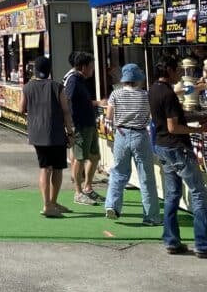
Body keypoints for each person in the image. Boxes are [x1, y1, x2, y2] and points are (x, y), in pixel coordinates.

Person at [150, 56, 207, 257]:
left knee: (172, 195)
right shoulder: (168, 94)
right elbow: (174, 127)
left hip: (163, 147)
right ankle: (202, 244)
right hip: (178, 148)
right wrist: (200, 129)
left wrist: (196, 117)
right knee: (199, 194)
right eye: (178, 71)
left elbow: (171, 118)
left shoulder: (154, 90)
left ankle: (171, 240)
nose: (181, 75)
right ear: (171, 71)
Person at [104, 63, 160, 225]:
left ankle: (112, 205)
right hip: (140, 135)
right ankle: (151, 217)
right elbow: (152, 116)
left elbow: (109, 117)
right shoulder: (146, 95)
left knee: (119, 173)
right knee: (146, 177)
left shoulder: (115, 94)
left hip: (121, 134)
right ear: (138, 79)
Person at [21, 56, 75, 217]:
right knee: (57, 168)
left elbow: (21, 108)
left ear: (34, 70)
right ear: (49, 69)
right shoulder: (57, 86)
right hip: (56, 132)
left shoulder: (27, 87)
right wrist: (70, 132)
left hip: (37, 133)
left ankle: (48, 203)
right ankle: (51, 202)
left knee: (45, 168)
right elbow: (66, 111)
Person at [64, 51, 104, 205]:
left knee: (94, 156)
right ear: (83, 66)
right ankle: (78, 192)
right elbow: (67, 100)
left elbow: (82, 101)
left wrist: (95, 103)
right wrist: (69, 125)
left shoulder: (81, 80)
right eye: (91, 67)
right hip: (79, 125)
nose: (93, 70)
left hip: (89, 123)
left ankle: (88, 187)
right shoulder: (73, 80)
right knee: (79, 158)